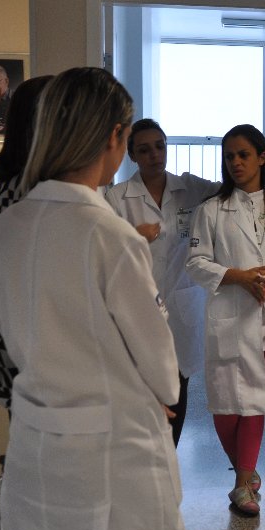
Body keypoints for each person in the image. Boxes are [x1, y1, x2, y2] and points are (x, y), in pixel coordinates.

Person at [0, 67, 188, 530]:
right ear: (115, 137)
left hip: (38, 441)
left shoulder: (4, 228)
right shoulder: (110, 235)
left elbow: (11, 327)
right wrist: (160, 392)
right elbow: (162, 370)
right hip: (113, 455)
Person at [186, 124, 265, 517]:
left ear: (262, 157)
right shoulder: (211, 209)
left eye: (243, 154)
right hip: (229, 319)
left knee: (255, 402)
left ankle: (242, 485)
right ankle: (245, 467)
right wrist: (240, 277)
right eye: (229, 156)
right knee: (225, 408)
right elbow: (195, 262)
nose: (235, 162)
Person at [0, 75, 53, 530]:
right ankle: (18, 519)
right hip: (22, 339)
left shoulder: (22, 182)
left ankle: (16, 511)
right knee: (34, 444)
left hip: (14, 335)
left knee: (29, 440)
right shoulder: (29, 190)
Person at [106, 119, 219, 446]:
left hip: (181, 306)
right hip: (138, 309)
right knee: (142, 389)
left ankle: (169, 457)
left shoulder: (189, 188)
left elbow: (237, 188)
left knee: (177, 389)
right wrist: (133, 237)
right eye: (144, 150)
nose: (154, 155)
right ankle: (147, 461)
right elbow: (103, 252)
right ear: (132, 155)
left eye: (159, 147)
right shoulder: (117, 197)